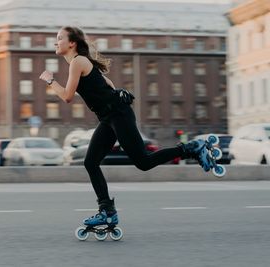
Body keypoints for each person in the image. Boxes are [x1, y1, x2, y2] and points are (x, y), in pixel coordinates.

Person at [39, 26, 209, 227]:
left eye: (59, 38)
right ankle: (107, 211)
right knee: (90, 162)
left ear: (72, 43)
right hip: (109, 118)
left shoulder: (77, 62)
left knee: (143, 162)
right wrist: (117, 92)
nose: (55, 42)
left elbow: (67, 96)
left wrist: (50, 80)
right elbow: (108, 83)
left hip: (118, 115)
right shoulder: (82, 63)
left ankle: (192, 149)